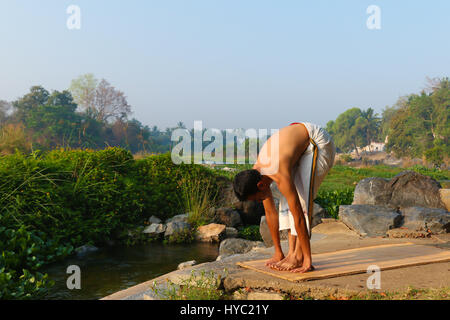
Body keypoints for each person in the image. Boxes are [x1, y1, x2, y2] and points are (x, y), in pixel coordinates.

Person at [233, 122, 335, 273]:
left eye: (256, 199)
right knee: (285, 201)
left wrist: (308, 260)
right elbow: (270, 213)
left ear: (261, 186)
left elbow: (299, 215)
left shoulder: (278, 172)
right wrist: (277, 253)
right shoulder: (256, 176)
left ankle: (300, 256)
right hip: (296, 147)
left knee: (301, 200)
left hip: (316, 141)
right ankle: (289, 254)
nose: (258, 201)